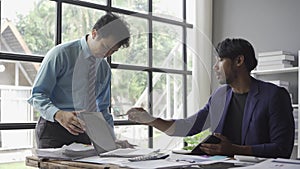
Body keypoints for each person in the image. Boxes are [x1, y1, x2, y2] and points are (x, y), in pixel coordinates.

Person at [127, 38, 295, 158]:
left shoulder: (274, 96)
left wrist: (234, 149)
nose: (215, 67)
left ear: (239, 61)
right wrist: (149, 119)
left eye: (220, 60)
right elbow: (187, 127)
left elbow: (282, 149)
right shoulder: (219, 95)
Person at [28, 13, 131, 148]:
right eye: (105, 47)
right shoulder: (60, 54)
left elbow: (103, 109)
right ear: (94, 34)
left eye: (113, 51)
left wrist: (111, 139)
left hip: (87, 132)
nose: (107, 54)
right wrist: (58, 114)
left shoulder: (104, 69)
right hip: (54, 129)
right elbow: (37, 96)